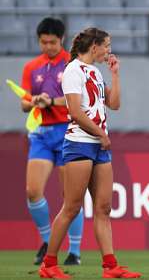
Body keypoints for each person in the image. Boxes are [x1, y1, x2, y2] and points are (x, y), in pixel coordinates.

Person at [38, 28, 141, 279]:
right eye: (106, 45)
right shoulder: (73, 70)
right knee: (72, 207)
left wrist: (115, 75)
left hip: (97, 146)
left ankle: (110, 266)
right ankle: (49, 265)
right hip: (80, 143)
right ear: (94, 46)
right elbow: (75, 111)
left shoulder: (94, 71)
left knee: (103, 208)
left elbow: (114, 104)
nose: (109, 50)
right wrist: (102, 134)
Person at [20, 17, 84, 266]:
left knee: (71, 195)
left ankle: (74, 251)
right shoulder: (31, 67)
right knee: (33, 191)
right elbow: (24, 103)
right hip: (41, 134)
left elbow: (76, 101)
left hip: (68, 132)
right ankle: (47, 241)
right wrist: (34, 101)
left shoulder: (73, 65)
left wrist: (51, 101)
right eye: (44, 42)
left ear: (62, 40)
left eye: (53, 42)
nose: (48, 47)